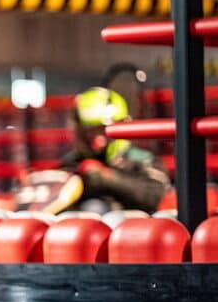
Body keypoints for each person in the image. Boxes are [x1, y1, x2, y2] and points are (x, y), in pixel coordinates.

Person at [57, 86, 169, 214]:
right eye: (90, 131)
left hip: (132, 223)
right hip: (87, 223)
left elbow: (153, 197)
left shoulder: (141, 159)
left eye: (102, 130)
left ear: (121, 125)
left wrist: (107, 177)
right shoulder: (74, 163)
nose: (98, 139)